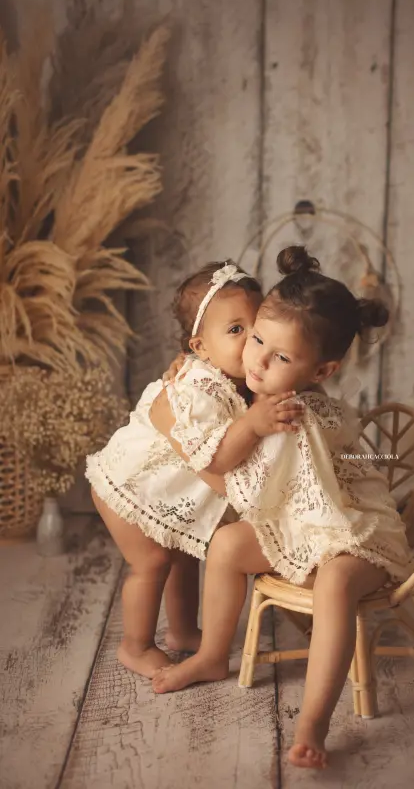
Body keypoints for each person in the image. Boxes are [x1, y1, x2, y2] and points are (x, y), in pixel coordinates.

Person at [150, 246, 414, 770]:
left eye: (280, 357)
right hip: (301, 525)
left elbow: (243, 492)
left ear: (323, 369)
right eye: (255, 339)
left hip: (351, 528)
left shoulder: (289, 417)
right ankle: (210, 657)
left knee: (335, 582)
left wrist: (188, 444)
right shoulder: (260, 395)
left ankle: (314, 721)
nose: (256, 360)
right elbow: (269, 507)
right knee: (226, 545)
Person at [86, 261, 303, 678]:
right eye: (234, 330)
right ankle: (135, 645)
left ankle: (183, 632)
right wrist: (253, 426)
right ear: (201, 348)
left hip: (163, 493)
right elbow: (214, 455)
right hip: (129, 487)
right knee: (151, 562)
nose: (250, 343)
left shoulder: (238, 379)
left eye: (254, 330)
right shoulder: (199, 389)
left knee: (182, 557)